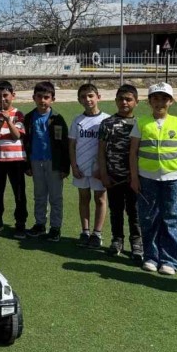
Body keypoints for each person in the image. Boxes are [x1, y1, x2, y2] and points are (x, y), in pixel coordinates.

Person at [129, 82, 177, 276]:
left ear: (171, 101)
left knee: (172, 218)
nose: (159, 102)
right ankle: (151, 257)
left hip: (173, 178)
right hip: (147, 178)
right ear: (149, 102)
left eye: (164, 98)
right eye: (155, 98)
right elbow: (133, 153)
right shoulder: (141, 123)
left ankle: (170, 260)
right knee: (149, 217)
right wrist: (134, 178)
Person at [97, 85, 142, 261]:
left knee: (134, 211)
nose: (124, 102)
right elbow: (101, 151)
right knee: (116, 210)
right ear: (115, 101)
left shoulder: (141, 124)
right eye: (121, 99)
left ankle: (137, 242)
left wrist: (136, 176)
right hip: (113, 176)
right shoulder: (107, 123)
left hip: (134, 178)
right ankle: (117, 240)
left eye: (129, 99)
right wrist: (104, 173)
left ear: (136, 102)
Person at [21, 81, 70, 240]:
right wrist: (27, 164)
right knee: (39, 195)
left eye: (46, 97)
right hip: (36, 162)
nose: (43, 100)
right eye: (39, 97)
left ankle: (55, 228)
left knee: (55, 197)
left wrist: (64, 166)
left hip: (53, 163)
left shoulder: (57, 119)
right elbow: (25, 142)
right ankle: (40, 224)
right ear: (34, 97)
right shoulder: (29, 118)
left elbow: (64, 144)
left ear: (52, 99)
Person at [69, 83, 110, 248]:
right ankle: (85, 232)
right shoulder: (78, 121)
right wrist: (74, 165)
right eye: (83, 97)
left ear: (98, 97)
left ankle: (97, 233)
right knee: (83, 198)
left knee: (100, 199)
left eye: (91, 96)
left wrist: (103, 168)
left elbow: (109, 147)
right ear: (79, 100)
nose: (87, 99)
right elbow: (71, 145)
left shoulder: (106, 120)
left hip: (99, 170)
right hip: (81, 168)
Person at [0, 80, 26, 235]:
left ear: (13, 96)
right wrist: (0, 122)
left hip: (16, 159)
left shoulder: (18, 114)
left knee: (19, 192)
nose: (2, 99)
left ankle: (20, 222)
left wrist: (8, 121)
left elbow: (17, 136)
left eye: (5, 95)